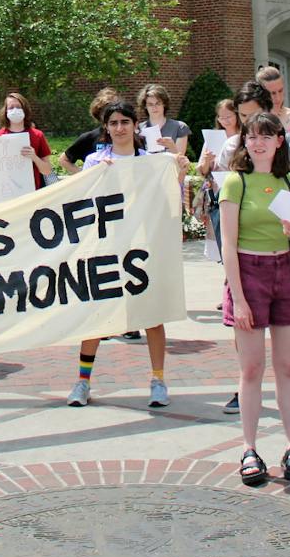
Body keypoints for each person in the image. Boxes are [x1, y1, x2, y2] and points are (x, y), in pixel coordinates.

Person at [221, 112, 290, 485]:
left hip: (286, 271)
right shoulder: (236, 183)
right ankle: (249, 448)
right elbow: (228, 246)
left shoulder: (289, 180)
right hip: (249, 272)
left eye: (267, 135)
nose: (258, 142)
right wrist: (239, 296)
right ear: (244, 142)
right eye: (252, 136)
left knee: (286, 367)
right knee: (251, 368)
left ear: (280, 140)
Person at [65, 101, 171, 409]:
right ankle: (83, 381)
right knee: (97, 316)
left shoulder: (149, 160)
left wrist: (176, 161)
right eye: (114, 123)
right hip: (107, 248)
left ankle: (158, 379)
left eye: (125, 121)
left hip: (142, 247)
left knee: (151, 315)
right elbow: (81, 201)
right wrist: (97, 176)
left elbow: (168, 194)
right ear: (106, 128)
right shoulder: (96, 161)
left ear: (135, 125)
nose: (120, 128)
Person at [221, 81, 290, 416]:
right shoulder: (235, 162)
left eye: (254, 120)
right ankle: (247, 413)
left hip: (285, 262)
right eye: (245, 123)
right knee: (251, 361)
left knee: (287, 354)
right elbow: (229, 234)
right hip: (249, 262)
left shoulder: (288, 161)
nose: (253, 136)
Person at [195, 97, 240, 255]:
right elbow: (202, 170)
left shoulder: (244, 136)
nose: (225, 121)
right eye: (221, 117)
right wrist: (207, 160)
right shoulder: (212, 138)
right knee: (221, 229)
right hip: (217, 191)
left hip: (238, 186)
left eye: (229, 116)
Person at [0, 91, 53, 191]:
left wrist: (34, 157)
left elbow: (47, 171)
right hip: (7, 192)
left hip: (33, 192)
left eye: (18, 107)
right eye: (11, 107)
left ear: (24, 110)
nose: (15, 110)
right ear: (6, 111)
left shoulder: (37, 135)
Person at [60, 86, 119, 173]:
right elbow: (64, 160)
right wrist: (85, 175)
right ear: (99, 113)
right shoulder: (89, 138)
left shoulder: (129, 136)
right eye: (107, 111)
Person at [137, 83, 191, 155]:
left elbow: (181, 161)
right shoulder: (139, 129)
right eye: (150, 104)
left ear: (164, 104)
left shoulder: (180, 127)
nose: (154, 107)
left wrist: (172, 147)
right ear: (145, 106)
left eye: (158, 103)